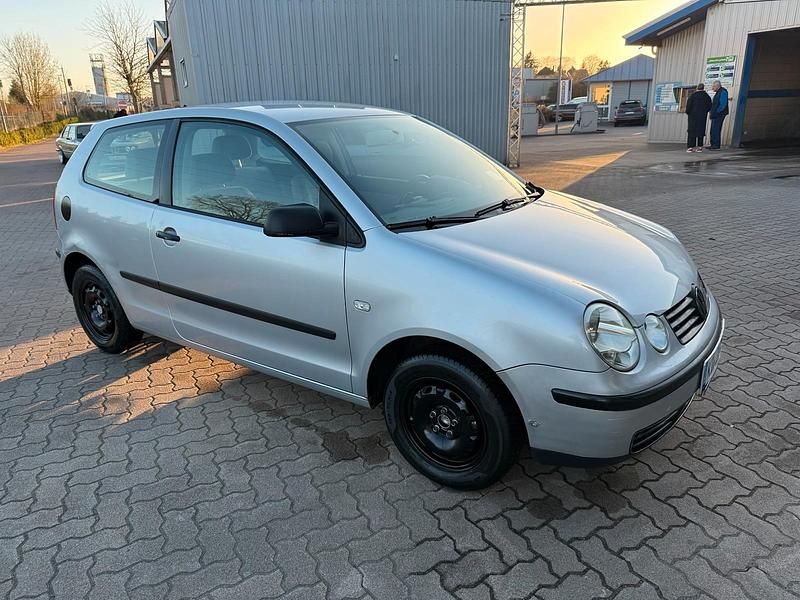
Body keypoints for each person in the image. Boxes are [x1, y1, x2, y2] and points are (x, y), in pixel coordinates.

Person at [685, 83, 711, 152]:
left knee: (692, 131)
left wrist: (688, 113)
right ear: (703, 88)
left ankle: (690, 147)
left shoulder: (692, 96)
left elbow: (688, 106)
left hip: (692, 116)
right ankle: (700, 147)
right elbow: (709, 106)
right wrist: (704, 112)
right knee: (701, 130)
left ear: (697, 88)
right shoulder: (707, 96)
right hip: (702, 116)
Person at [708, 80, 729, 150]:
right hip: (715, 114)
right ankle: (713, 144)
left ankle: (716, 145)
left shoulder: (723, 92)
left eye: (713, 86)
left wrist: (716, 112)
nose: (712, 88)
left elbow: (723, 104)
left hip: (719, 114)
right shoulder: (718, 92)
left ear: (718, 86)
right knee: (713, 129)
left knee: (716, 129)